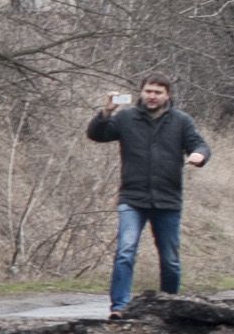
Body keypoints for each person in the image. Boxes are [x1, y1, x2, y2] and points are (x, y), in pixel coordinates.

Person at [86, 77, 209, 315]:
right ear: (141, 93)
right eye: (148, 91)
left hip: (168, 200)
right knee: (125, 252)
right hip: (132, 198)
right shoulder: (126, 117)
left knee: (170, 260)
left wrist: (198, 156)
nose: (152, 96)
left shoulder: (181, 121)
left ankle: (170, 307)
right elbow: (97, 135)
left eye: (158, 92)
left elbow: (200, 145)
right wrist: (105, 113)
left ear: (167, 95)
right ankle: (120, 307)